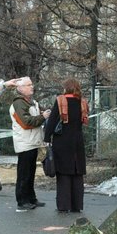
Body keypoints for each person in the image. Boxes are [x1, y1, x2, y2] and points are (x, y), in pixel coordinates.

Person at [43, 78, 89, 213]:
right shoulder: (82, 102)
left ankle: (64, 205)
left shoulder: (60, 101)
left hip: (62, 142)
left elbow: (52, 121)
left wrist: (47, 137)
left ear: (66, 88)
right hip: (78, 142)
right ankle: (77, 205)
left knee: (63, 174)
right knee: (77, 173)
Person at [9, 77, 50, 211]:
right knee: (24, 173)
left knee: (30, 172)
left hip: (32, 142)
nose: (31, 87)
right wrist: (42, 117)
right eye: (28, 85)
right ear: (19, 89)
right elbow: (26, 123)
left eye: (31, 84)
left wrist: (43, 114)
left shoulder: (32, 102)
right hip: (25, 143)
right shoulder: (18, 104)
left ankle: (31, 198)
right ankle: (22, 201)